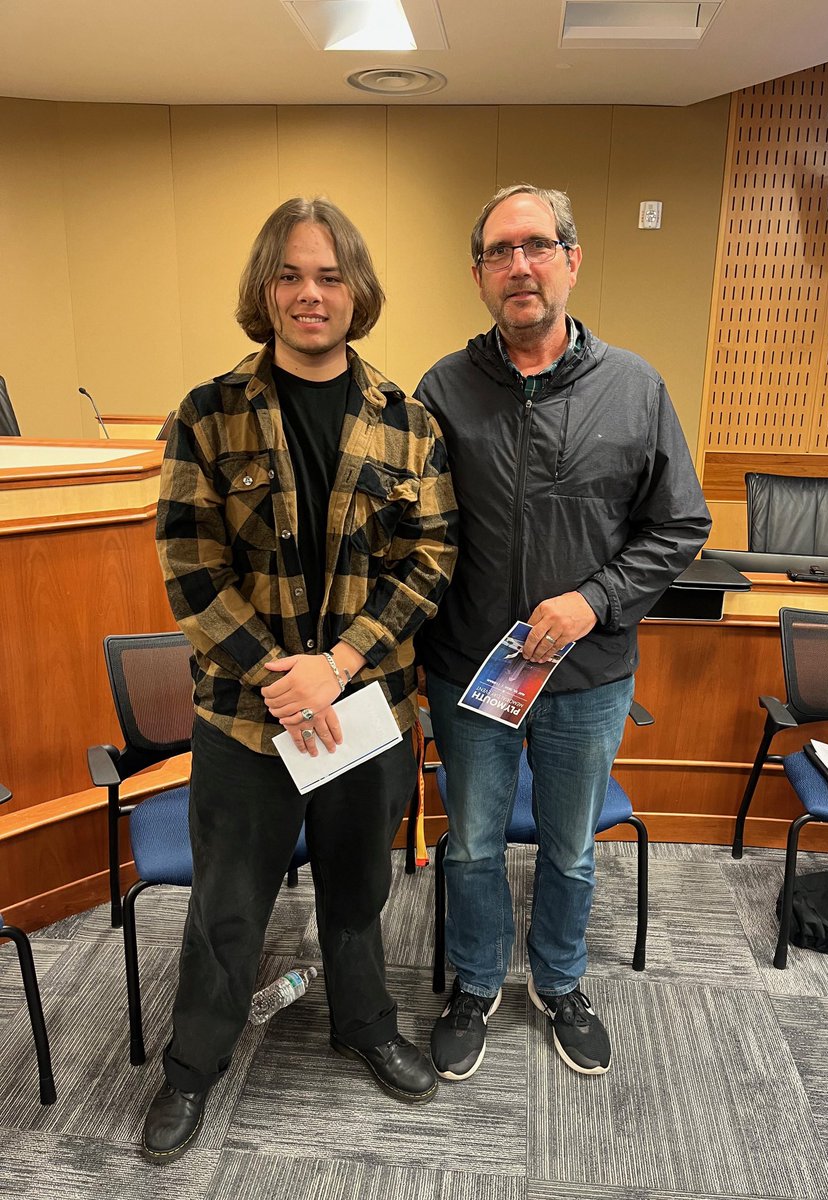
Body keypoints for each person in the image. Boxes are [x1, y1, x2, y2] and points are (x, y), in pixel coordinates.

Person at [146, 197, 457, 1163]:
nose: (310, 294)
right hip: (246, 717)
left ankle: (361, 1021)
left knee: (359, 886)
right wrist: (279, 676)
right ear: (264, 289)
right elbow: (189, 565)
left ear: (357, 290)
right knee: (227, 902)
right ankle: (193, 1067)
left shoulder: (409, 420)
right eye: (291, 275)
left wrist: (340, 664)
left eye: (330, 276)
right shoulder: (208, 413)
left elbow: (434, 554)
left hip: (364, 710)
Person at [415, 183, 711, 1081]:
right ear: (478, 276)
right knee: (469, 842)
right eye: (500, 252)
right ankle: (473, 984)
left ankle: (560, 981)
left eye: (537, 246)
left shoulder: (636, 387)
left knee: (571, 846)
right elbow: (416, 533)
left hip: (589, 677)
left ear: (572, 261)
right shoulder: (442, 390)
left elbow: (680, 525)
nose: (520, 266)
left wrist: (594, 599)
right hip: (474, 673)